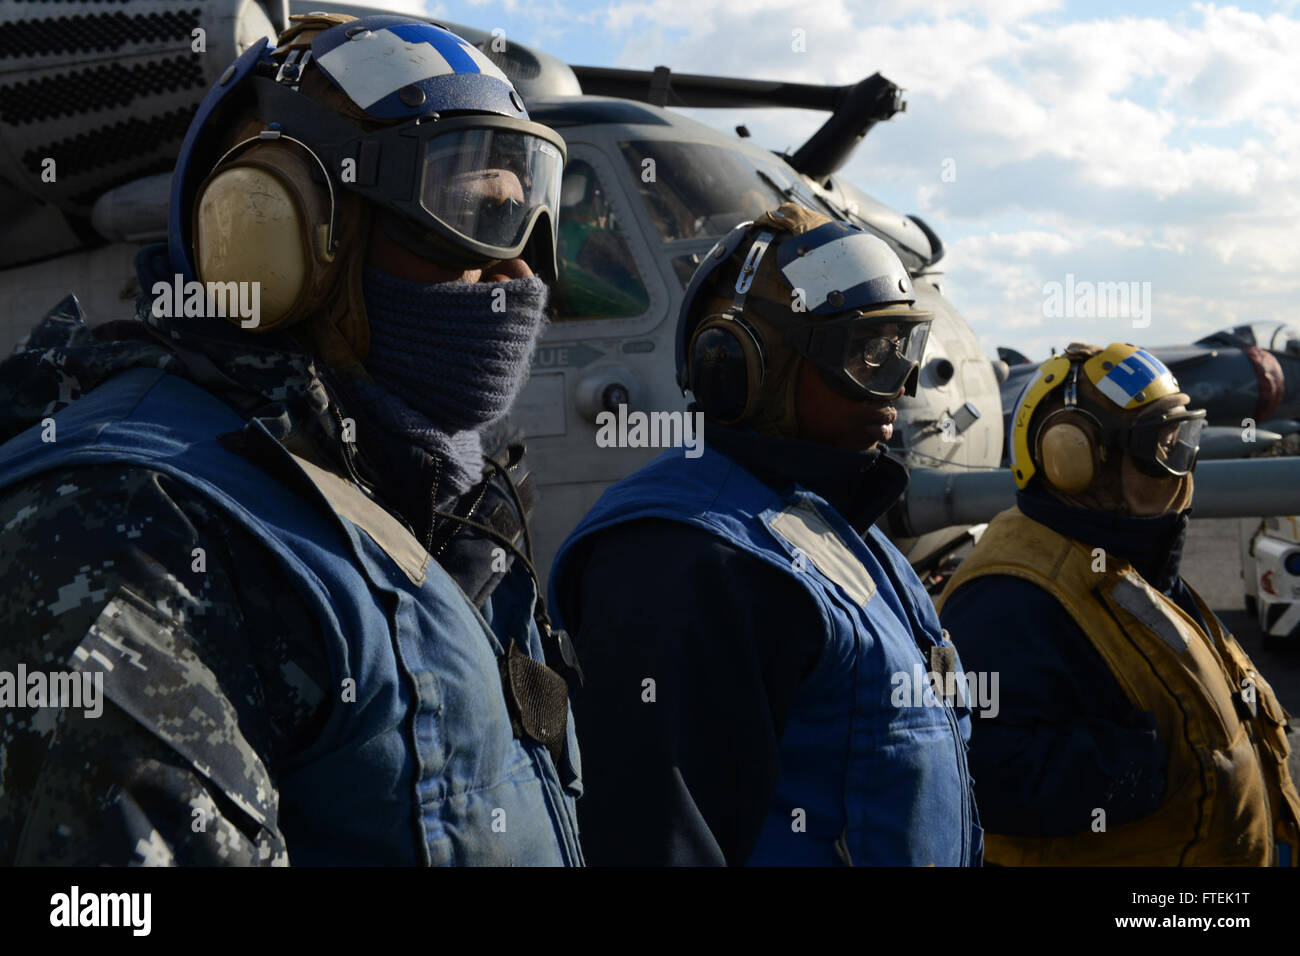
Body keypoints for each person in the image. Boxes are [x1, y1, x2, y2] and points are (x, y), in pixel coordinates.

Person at [0, 13, 584, 866]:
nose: (521, 272)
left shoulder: (440, 504)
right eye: (471, 211)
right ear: (274, 226)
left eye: (532, 215)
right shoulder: (129, 525)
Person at [548, 202, 982, 866]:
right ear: (741, 367)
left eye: (900, 350)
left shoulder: (842, 536)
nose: (894, 390)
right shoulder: (684, 559)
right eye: (865, 355)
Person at [937, 342, 1300, 865]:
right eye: (1162, 445)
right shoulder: (1008, 598)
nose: (1180, 465)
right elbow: (974, 769)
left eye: (1183, 440)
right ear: (1075, 461)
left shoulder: (1127, 561)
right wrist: (1131, 766)